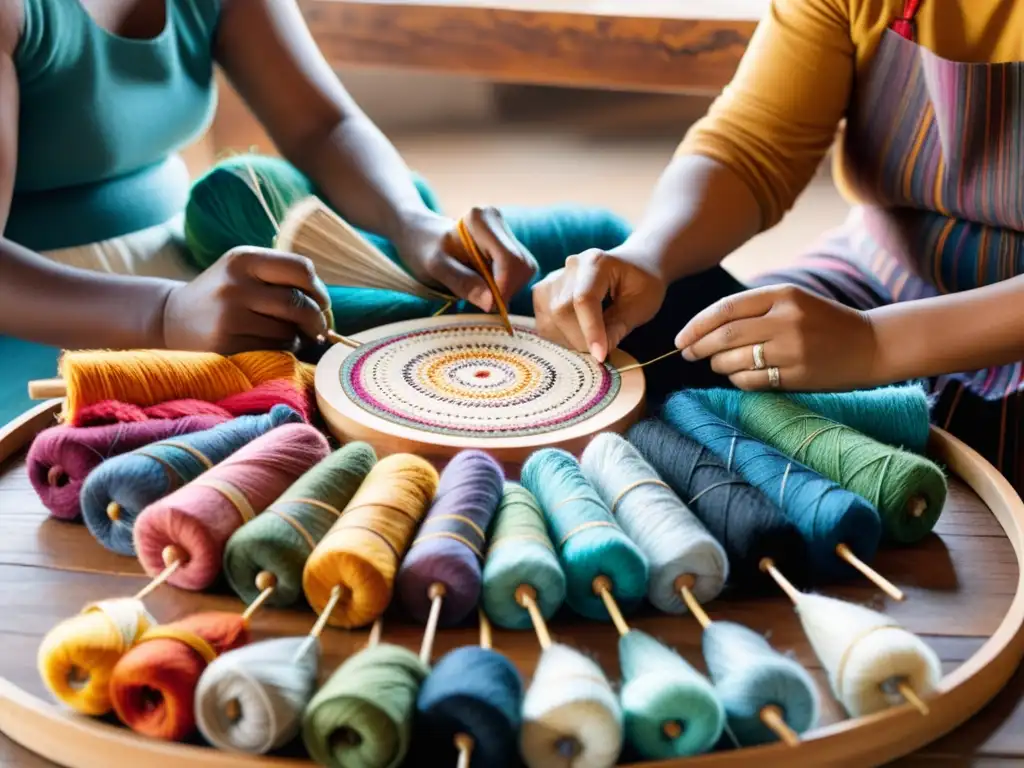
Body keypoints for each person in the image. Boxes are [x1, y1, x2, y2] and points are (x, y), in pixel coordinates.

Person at [0, 0, 632, 424]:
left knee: (595, 247)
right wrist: (163, 313)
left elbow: (323, 127)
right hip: (53, 327)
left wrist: (410, 220)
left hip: (187, 282)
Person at [533, 0, 1024, 488]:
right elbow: (752, 149)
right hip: (877, 271)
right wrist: (650, 254)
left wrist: (876, 342)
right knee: (687, 376)